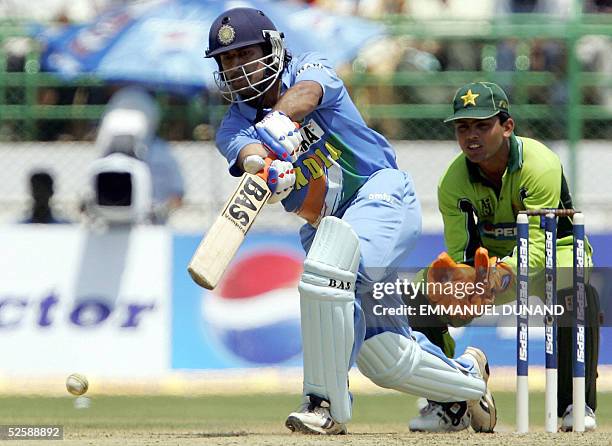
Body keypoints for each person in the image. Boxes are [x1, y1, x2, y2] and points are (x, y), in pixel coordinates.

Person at [205, 7, 496, 435]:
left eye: (245, 53)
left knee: (328, 269)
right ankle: (467, 381)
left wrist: (281, 124)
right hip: (325, 225)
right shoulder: (232, 127)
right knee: (385, 357)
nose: (237, 68)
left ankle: (323, 404)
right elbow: (247, 154)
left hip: (380, 195)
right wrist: (265, 169)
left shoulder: (310, 66)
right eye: (226, 60)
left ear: (273, 48)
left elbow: (308, 93)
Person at [407, 82, 600, 432]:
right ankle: (452, 399)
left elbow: (540, 246)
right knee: (418, 296)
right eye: (463, 127)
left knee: (577, 291)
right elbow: (461, 254)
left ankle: (575, 403)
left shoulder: (540, 164)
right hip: (488, 268)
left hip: (556, 254)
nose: (471, 136)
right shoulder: (453, 182)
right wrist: (465, 280)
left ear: (507, 126)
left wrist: (503, 272)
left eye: (482, 125)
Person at [95, 86, 185, 224]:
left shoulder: (163, 153)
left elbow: (178, 194)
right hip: (108, 225)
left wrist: (160, 211)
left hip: (153, 226)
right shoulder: (104, 157)